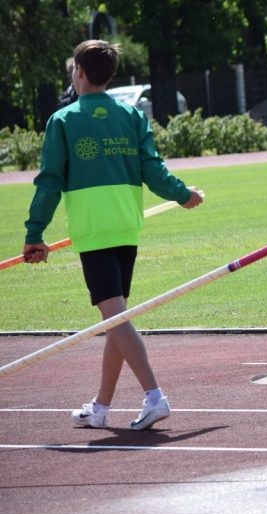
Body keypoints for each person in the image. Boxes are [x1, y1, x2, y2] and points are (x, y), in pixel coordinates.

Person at [22, 39, 204, 430]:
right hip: (125, 225)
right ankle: (101, 406)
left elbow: (49, 183)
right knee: (116, 317)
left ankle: (155, 396)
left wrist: (34, 234)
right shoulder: (131, 115)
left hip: (94, 230)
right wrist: (183, 194)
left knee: (116, 317)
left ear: (80, 73)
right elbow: (153, 170)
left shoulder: (64, 120)